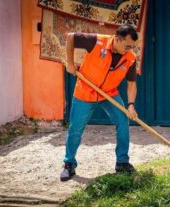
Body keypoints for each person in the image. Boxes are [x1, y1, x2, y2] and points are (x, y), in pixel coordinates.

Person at [60, 24, 139, 181]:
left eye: (132, 47)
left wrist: (131, 105)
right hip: (85, 91)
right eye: (127, 46)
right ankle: (69, 164)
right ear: (117, 39)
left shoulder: (130, 58)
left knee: (123, 121)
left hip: (109, 93)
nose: (130, 49)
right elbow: (70, 37)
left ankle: (122, 162)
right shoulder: (97, 42)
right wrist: (70, 63)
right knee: (76, 128)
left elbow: (131, 84)